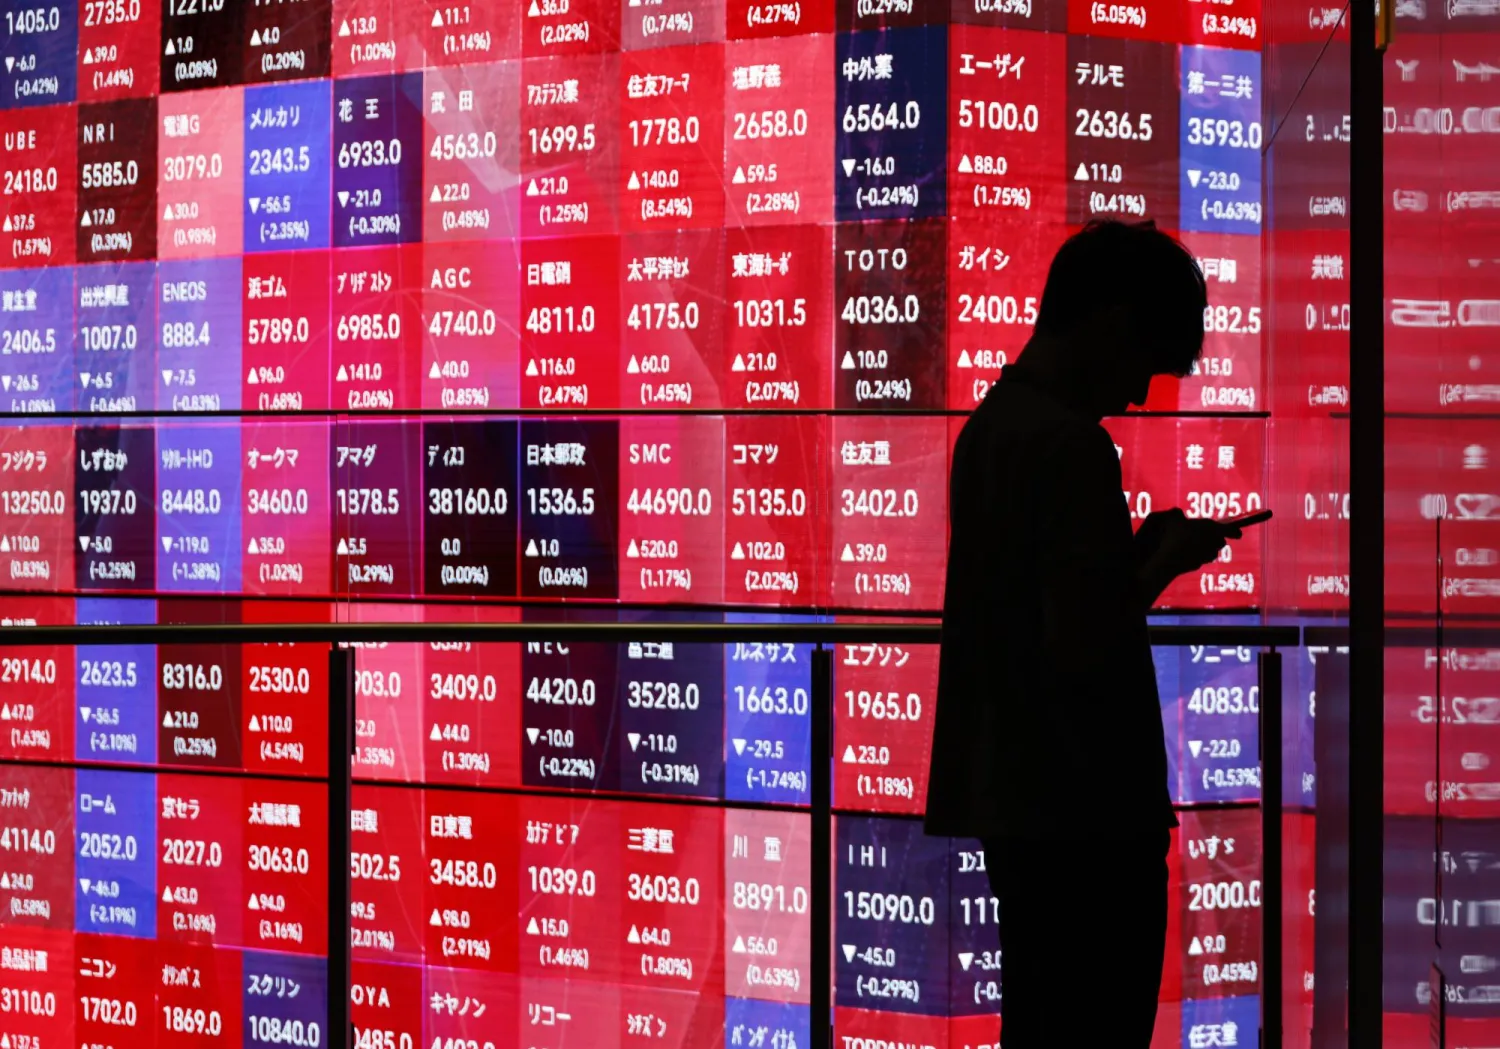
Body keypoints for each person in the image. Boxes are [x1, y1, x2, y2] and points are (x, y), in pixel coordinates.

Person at [925, 220, 1242, 1046]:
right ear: (1109, 320)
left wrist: (1128, 565)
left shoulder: (991, 431)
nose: (1139, 391)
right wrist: (1159, 564)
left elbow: (1034, 615)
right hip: (1087, 814)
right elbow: (1081, 644)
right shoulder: (1071, 449)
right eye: (1145, 359)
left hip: (1021, 805)